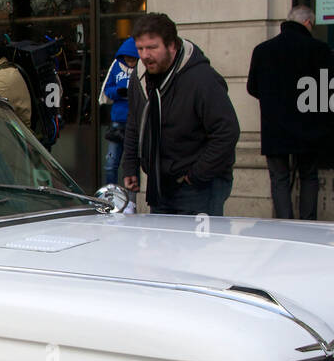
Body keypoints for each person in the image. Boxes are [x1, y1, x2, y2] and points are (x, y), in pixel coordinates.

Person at [120, 13, 239, 215]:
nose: (145, 55)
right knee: (161, 244)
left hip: (198, 187)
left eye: (152, 47)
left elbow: (227, 131)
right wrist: (130, 165)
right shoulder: (139, 76)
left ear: (172, 46)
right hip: (160, 183)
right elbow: (135, 122)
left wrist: (196, 175)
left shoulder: (202, 79)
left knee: (199, 246)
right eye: (140, 48)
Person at [247, 5, 334, 220]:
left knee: (278, 178)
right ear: (307, 23)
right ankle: (308, 225)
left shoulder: (262, 50)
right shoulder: (316, 48)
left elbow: (252, 87)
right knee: (308, 175)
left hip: (275, 128)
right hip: (308, 126)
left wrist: (274, 102)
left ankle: (285, 225)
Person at [99, 37, 139, 186]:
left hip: (135, 122)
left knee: (133, 164)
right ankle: (112, 193)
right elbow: (107, 90)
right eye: (127, 59)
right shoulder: (116, 66)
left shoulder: (142, 68)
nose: (130, 62)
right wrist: (119, 92)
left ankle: (132, 198)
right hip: (118, 121)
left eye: (133, 59)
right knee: (111, 163)